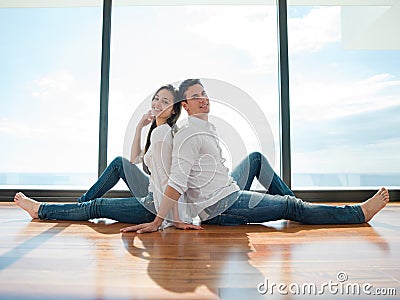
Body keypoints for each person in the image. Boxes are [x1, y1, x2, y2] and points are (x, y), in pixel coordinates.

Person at [121, 79, 390, 233]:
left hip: (227, 190)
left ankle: (299, 207)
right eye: (195, 96)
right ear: (185, 105)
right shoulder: (189, 135)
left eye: (204, 93)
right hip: (222, 206)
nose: (203, 98)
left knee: (256, 159)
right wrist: (159, 221)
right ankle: (356, 213)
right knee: (288, 206)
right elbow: (176, 182)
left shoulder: (204, 126)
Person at [13, 84, 201, 230]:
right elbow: (133, 159)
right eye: (156, 98)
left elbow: (171, 180)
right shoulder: (160, 131)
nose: (157, 104)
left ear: (174, 110)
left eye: (165, 102)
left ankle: (40, 210)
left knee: (98, 206)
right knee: (119, 163)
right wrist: (139, 127)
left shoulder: (162, 134)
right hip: (155, 193)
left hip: (155, 206)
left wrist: (167, 220)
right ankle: (79, 207)